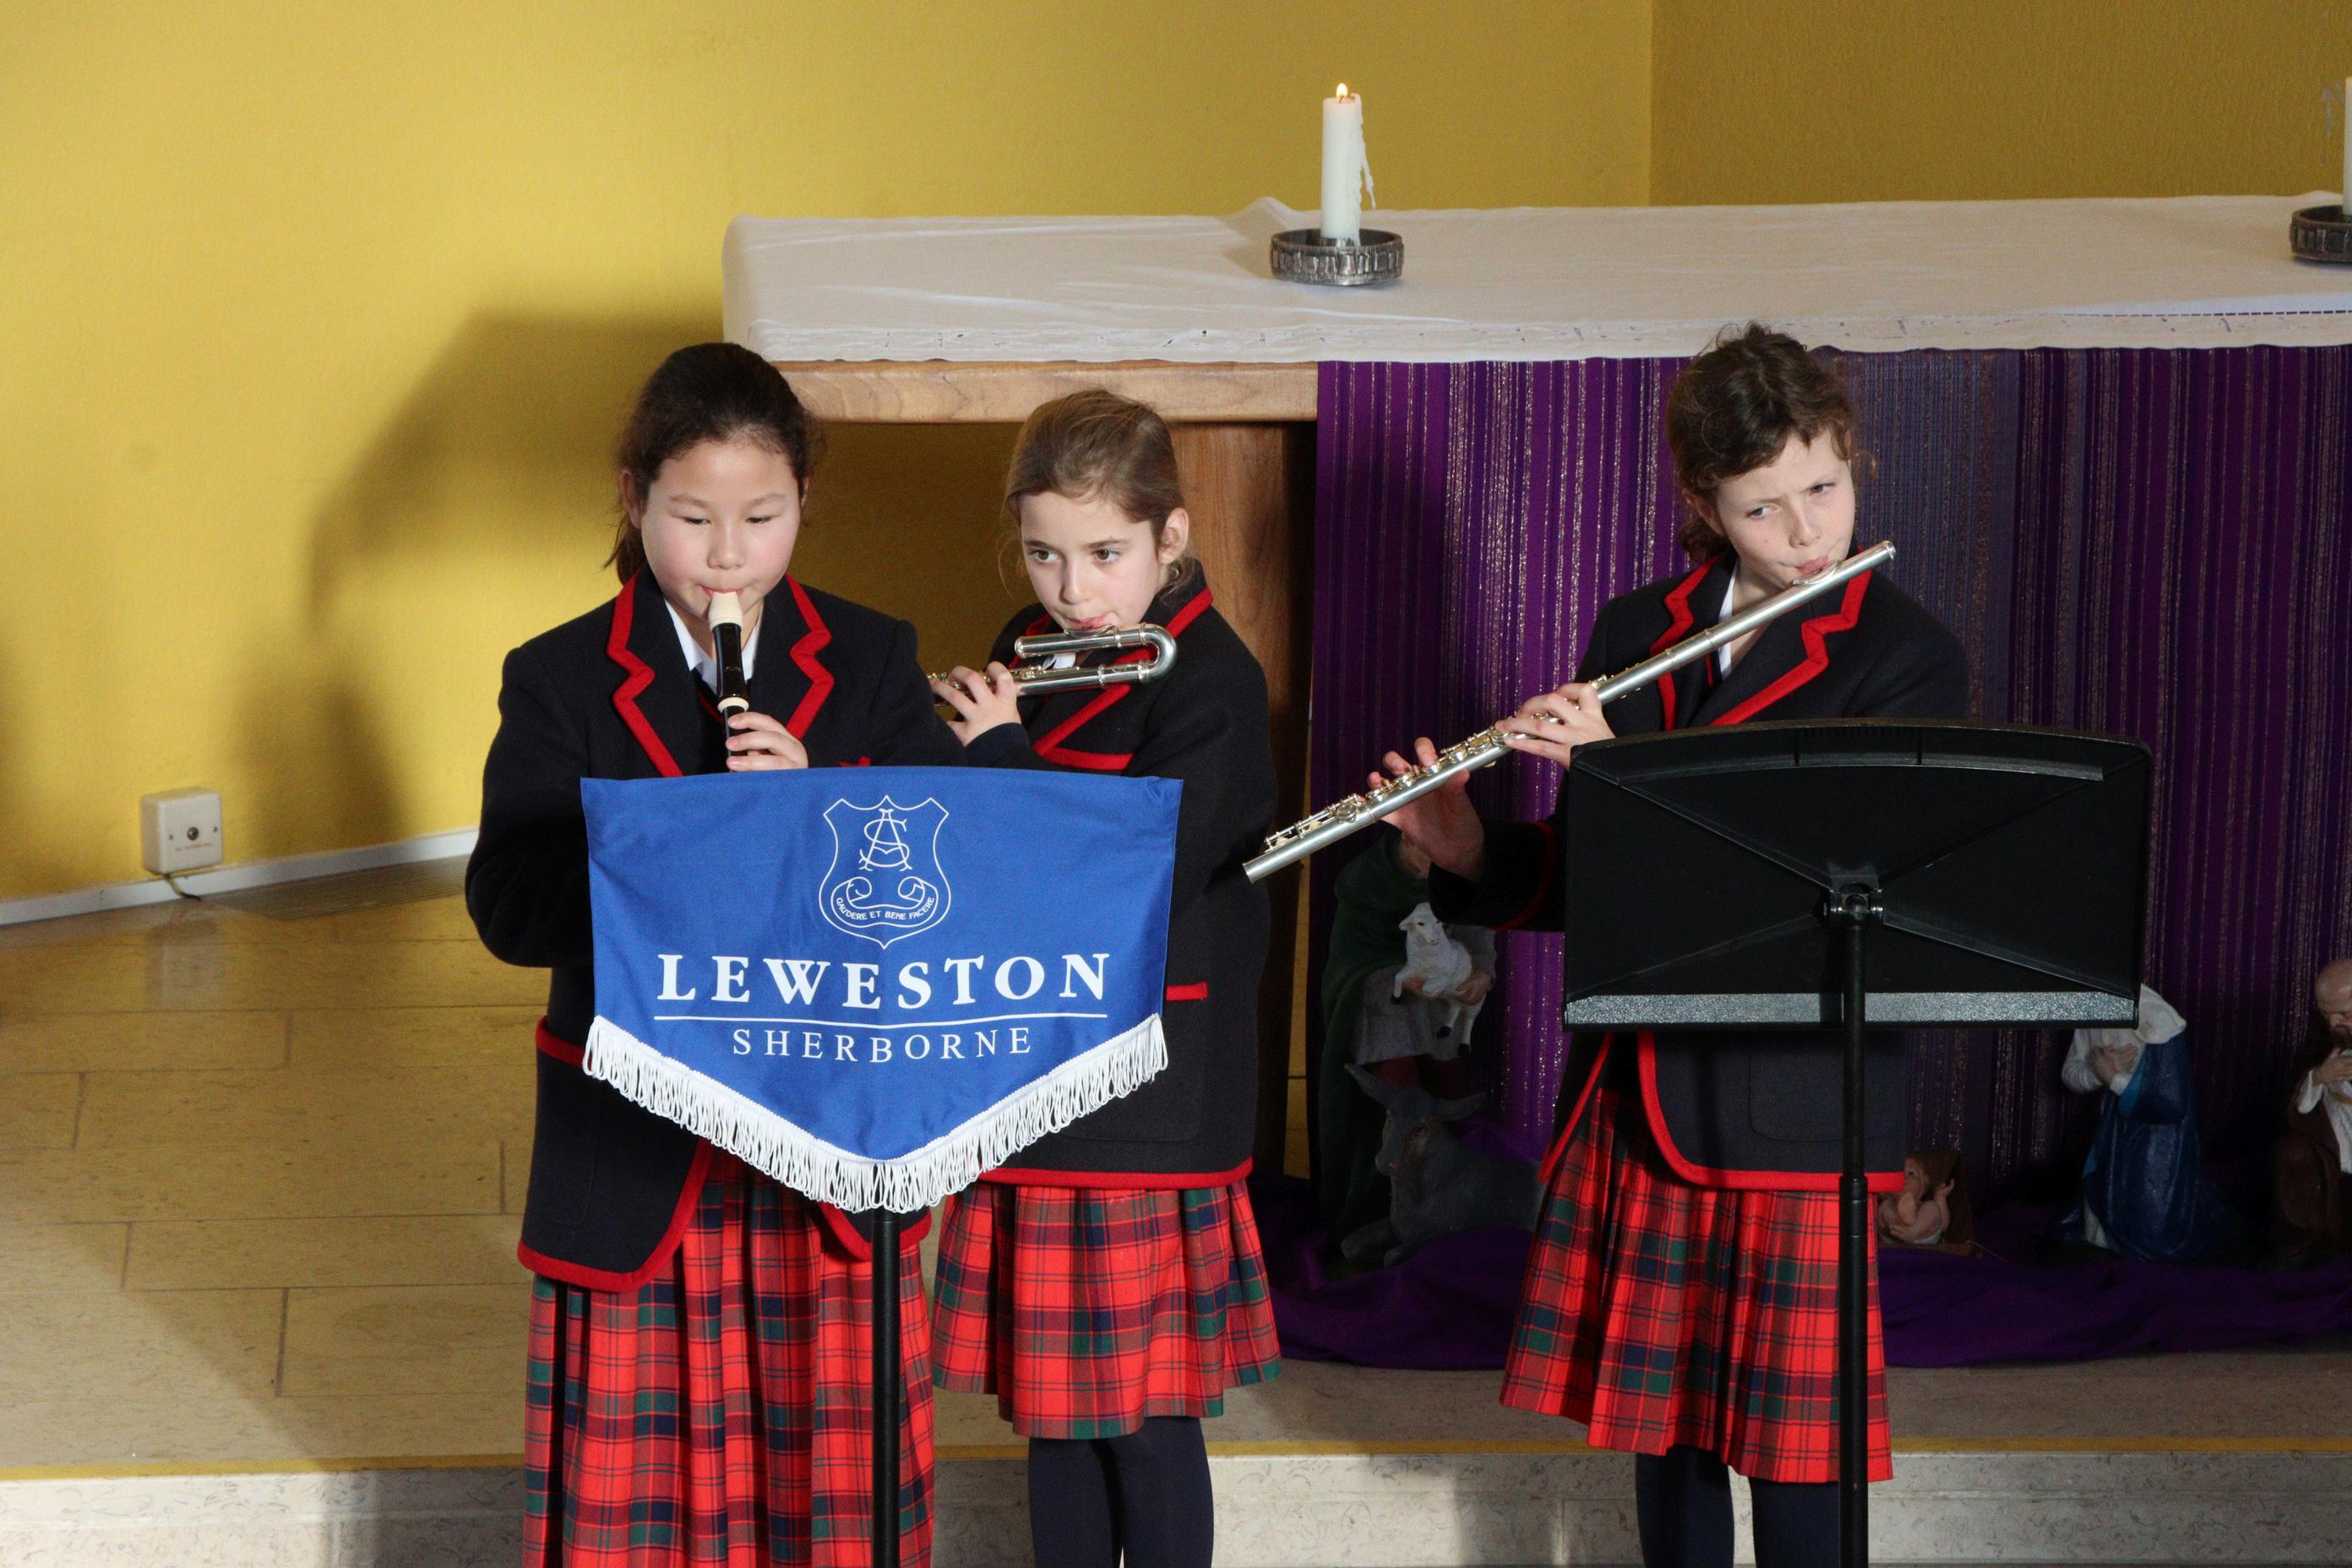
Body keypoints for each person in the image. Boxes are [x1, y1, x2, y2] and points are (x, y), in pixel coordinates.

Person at [1378, 324, 1968, 1568]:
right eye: (1764, 509)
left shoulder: (1905, 658)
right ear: (1704, 505)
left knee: (1802, 1472)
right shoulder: (1638, 629)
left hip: (1797, 1098)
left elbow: (1818, 890)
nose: (1808, 534)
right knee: (1671, 1451)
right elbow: (1597, 885)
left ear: (1852, 457)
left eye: (1826, 488)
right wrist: (1470, 847)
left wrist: (1627, 774)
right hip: (1644, 1083)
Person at [467, 341, 962, 1567]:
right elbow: (510, 910)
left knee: (826, 1504)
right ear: (635, 501)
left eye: (763, 518)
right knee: (640, 1518)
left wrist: (819, 805)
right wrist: (679, 846)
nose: (729, 558)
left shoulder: (874, 660)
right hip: (639, 1150)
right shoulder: (559, 678)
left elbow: (946, 900)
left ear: (805, 502)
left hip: (822, 1151)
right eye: (692, 521)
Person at [928, 389, 1281, 1568]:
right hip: (1034, 1065)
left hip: (1150, 1090)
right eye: (1044, 555)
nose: (1073, 591)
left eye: (1105, 554)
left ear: (1172, 535)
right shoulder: (1028, 646)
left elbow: (1137, 872)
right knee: (1054, 1416)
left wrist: (1001, 755)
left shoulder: (1213, 679)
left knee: (1147, 1420)